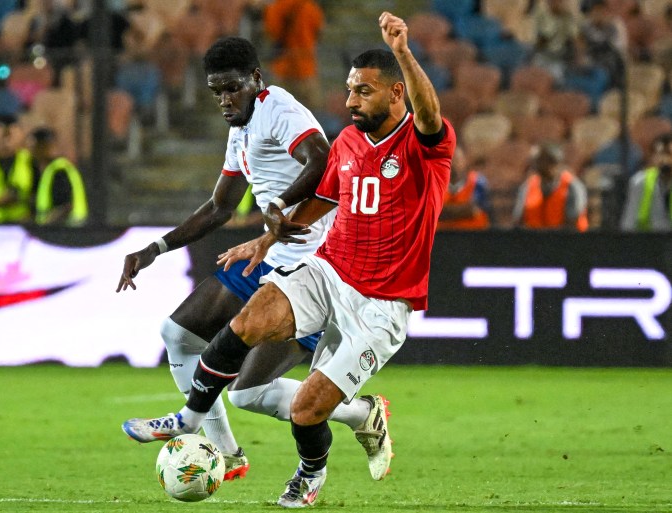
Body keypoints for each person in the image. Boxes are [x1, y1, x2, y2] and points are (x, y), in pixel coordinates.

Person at [124, 12, 455, 507]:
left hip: (381, 303)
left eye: (363, 91)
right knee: (245, 323)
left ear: (395, 94)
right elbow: (320, 198)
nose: (349, 101)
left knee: (306, 409)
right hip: (326, 271)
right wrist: (264, 241)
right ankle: (191, 422)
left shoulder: (425, 145)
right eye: (348, 90)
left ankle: (313, 470)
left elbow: (428, 117)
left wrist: (404, 54)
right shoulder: (347, 142)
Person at [511, 142, 588, 231]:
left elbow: (572, 222)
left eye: (539, 161)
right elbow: (518, 221)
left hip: (569, 242)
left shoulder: (572, 186)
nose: (535, 165)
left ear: (554, 162)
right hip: (534, 242)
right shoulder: (527, 186)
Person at [262, 0, 324, 111]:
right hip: (306, 66)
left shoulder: (276, 7)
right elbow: (318, 30)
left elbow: (272, 32)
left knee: (281, 110)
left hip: (282, 67)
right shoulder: (309, 6)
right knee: (312, 112)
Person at [28, 127, 89, 226]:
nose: (31, 151)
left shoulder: (59, 170)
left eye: (34, 146)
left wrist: (44, 225)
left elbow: (66, 207)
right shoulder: (48, 171)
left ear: (44, 146)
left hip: (68, 232)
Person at [620, 132, 672, 232]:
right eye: (659, 154)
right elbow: (629, 221)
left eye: (668, 154)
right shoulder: (640, 182)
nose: (664, 160)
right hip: (648, 242)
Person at [437, 143, 491, 230]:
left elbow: (475, 209)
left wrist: (444, 212)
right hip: (441, 237)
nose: (453, 164)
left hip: (472, 237)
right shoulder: (433, 184)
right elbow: (429, 213)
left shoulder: (478, 182)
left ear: (465, 161)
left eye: (457, 160)